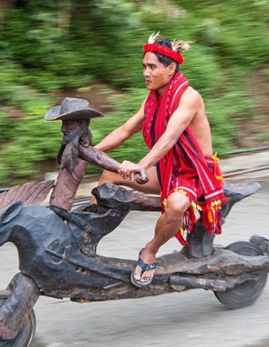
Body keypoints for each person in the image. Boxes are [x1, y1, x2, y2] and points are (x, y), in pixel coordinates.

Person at [94, 32, 226, 287]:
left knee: (176, 204)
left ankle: (150, 251)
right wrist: (87, 151)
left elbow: (169, 138)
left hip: (193, 174)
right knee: (109, 175)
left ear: (171, 68)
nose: (146, 72)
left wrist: (141, 166)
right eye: (144, 66)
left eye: (152, 67)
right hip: (168, 169)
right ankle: (87, 231)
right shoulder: (153, 98)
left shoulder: (189, 97)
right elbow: (123, 131)